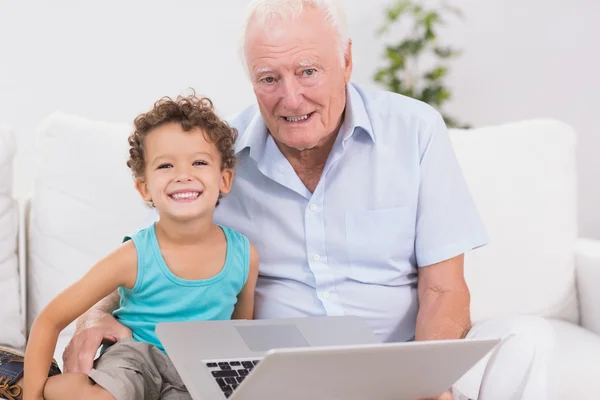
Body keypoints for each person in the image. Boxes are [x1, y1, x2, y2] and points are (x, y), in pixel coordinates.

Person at [31, 1, 554, 400]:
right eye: (269, 78)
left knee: (528, 340)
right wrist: (95, 316)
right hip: (275, 377)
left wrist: (426, 382)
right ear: (252, 82)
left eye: (308, 71)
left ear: (346, 61)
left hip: (399, 361)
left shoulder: (414, 131)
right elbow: (149, 251)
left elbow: (445, 289)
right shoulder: (215, 157)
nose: (291, 96)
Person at [22, 94, 259, 400]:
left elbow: (240, 337)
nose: (183, 175)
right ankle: (55, 385)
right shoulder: (133, 256)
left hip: (198, 371)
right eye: (165, 165)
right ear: (144, 187)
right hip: (135, 360)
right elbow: (49, 320)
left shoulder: (244, 257)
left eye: (199, 162)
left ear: (224, 179)